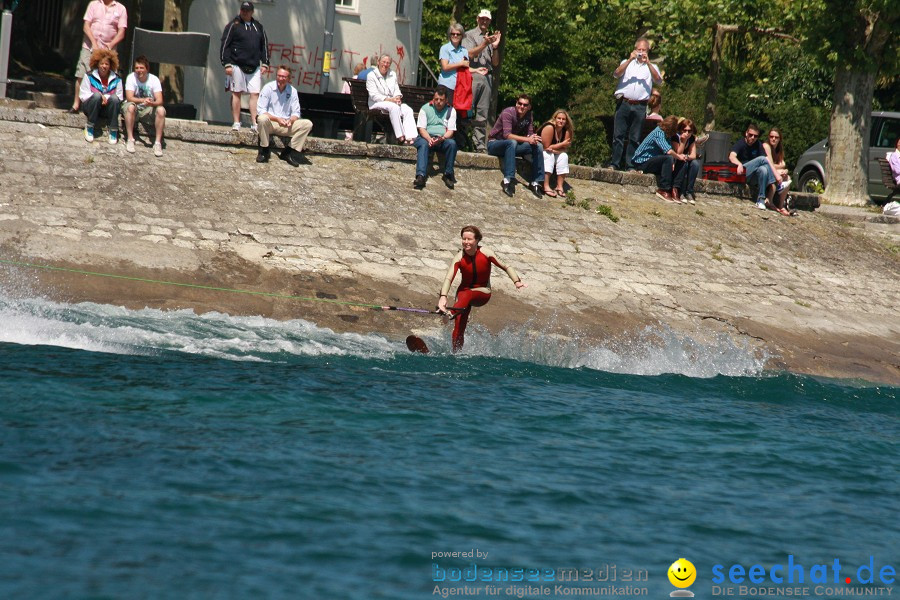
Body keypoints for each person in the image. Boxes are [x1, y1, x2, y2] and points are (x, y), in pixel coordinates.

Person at [437, 225, 526, 352]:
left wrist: (516, 282)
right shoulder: (459, 257)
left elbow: (506, 266)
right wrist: (443, 297)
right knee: (459, 327)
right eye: (464, 239)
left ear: (477, 240)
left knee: (466, 295)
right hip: (463, 296)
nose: (466, 242)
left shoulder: (486, 252)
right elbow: (448, 278)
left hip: (482, 292)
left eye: (469, 239)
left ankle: (450, 313)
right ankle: (455, 354)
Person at [606, 37, 663, 171]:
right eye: (639, 49)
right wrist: (630, 59)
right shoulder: (626, 63)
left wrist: (648, 63)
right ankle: (614, 163)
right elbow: (616, 74)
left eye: (644, 50)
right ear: (634, 49)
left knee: (635, 137)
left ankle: (630, 165)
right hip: (624, 102)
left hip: (640, 105)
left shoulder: (652, 67)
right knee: (618, 135)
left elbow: (658, 81)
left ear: (647, 51)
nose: (641, 52)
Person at [220, 1, 270, 132]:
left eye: (247, 10)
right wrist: (226, 63)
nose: (244, 12)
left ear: (252, 12)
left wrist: (265, 63)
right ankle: (237, 121)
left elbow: (264, 45)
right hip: (237, 64)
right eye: (243, 10)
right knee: (236, 93)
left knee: (255, 94)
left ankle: (254, 122)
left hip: (254, 66)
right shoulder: (233, 25)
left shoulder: (258, 26)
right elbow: (225, 44)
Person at [71, 0, 127, 114]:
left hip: (109, 48)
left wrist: (110, 45)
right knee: (82, 74)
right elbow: (86, 25)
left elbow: (121, 32)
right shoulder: (93, 4)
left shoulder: (121, 8)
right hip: (89, 46)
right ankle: (76, 104)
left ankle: (108, 107)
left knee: (110, 77)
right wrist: (94, 43)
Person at [487, 93, 545, 198]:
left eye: (525, 105)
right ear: (516, 103)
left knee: (538, 146)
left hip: (511, 146)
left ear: (529, 107)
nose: (522, 107)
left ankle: (536, 182)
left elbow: (530, 134)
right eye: (520, 103)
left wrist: (534, 138)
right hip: (495, 143)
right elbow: (507, 135)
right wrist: (528, 139)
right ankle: (508, 180)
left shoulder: (529, 115)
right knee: (512, 142)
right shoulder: (508, 113)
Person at [255, 65, 314, 167]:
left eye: (283, 77)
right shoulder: (268, 88)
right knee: (261, 118)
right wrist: (277, 119)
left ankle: (288, 152)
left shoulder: (293, 91)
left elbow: (296, 112)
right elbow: (261, 110)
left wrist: (291, 120)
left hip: (285, 124)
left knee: (307, 124)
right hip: (271, 123)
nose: (280, 78)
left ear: (288, 79)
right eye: (279, 76)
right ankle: (264, 150)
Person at [463, 9, 502, 153]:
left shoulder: (490, 37)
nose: (484, 21)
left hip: (487, 77)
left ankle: (479, 144)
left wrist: (495, 46)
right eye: (482, 19)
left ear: (490, 21)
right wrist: (485, 43)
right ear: (477, 19)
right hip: (473, 75)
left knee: (482, 113)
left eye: (487, 19)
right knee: (467, 110)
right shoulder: (469, 35)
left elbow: (495, 63)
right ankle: (462, 140)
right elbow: (469, 54)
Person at [631, 116, 688, 203]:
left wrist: (676, 159)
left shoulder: (666, 136)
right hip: (643, 162)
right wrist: (677, 156)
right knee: (669, 158)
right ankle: (664, 189)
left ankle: (675, 189)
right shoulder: (658, 133)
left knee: (682, 161)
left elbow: (670, 151)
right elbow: (668, 151)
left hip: (654, 161)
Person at [413, 86, 458, 190]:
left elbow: (451, 131)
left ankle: (448, 174)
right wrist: (429, 139)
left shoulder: (451, 111)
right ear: (433, 98)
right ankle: (421, 176)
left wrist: (441, 138)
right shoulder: (425, 108)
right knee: (423, 145)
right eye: (436, 99)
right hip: (426, 137)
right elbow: (422, 129)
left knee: (452, 144)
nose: (438, 102)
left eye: (441, 100)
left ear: (446, 100)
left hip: (442, 138)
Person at [728, 124, 781, 211]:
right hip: (741, 173)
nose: (752, 138)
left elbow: (768, 161)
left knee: (763, 169)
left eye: (755, 136)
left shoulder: (758, 144)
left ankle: (761, 200)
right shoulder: (741, 143)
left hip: (752, 177)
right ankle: (773, 181)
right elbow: (732, 156)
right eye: (750, 135)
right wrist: (739, 164)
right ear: (746, 133)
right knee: (762, 159)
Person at [366, 54, 417, 144]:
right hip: (376, 103)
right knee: (394, 107)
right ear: (378, 62)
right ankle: (400, 137)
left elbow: (396, 89)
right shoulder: (371, 75)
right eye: (383, 62)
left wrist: (397, 97)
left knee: (407, 109)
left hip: (392, 102)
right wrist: (390, 100)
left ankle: (411, 137)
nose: (385, 65)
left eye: (388, 63)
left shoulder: (392, 74)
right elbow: (374, 95)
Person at [122, 55, 166, 157]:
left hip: (148, 110)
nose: (139, 70)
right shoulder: (131, 77)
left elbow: (160, 100)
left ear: (147, 69)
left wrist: (152, 103)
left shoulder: (154, 79)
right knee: (130, 107)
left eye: (141, 68)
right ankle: (130, 139)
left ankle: (157, 143)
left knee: (161, 110)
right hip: (135, 109)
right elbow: (129, 98)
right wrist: (143, 100)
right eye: (137, 68)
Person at [79, 48, 123, 145]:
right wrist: (99, 95)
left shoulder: (117, 78)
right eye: (102, 64)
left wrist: (106, 98)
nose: (104, 66)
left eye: (106, 64)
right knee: (96, 96)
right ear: (97, 64)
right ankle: (90, 127)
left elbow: (120, 97)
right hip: (91, 106)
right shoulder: (89, 76)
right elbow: (83, 95)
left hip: (107, 108)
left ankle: (113, 130)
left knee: (115, 99)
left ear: (110, 65)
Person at [539, 109, 574, 197]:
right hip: (540, 152)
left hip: (554, 152)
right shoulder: (549, 127)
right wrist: (561, 144)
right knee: (549, 155)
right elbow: (546, 147)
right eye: (559, 118)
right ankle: (545, 185)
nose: (561, 121)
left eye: (563, 119)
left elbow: (564, 149)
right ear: (554, 119)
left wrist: (555, 149)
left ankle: (559, 186)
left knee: (564, 156)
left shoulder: (567, 131)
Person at [763, 127, 796, 215]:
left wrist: (784, 170)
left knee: (788, 178)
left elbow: (783, 163)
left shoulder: (779, 149)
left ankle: (781, 205)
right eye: (771, 136)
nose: (773, 139)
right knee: (778, 176)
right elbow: (769, 164)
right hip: (765, 172)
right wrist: (780, 168)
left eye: (776, 137)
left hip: (774, 172)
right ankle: (770, 201)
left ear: (779, 139)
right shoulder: (766, 146)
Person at [438, 23, 470, 107]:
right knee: (445, 112)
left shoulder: (464, 51)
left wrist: (477, 70)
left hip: (459, 87)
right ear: (450, 35)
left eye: (458, 34)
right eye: (453, 34)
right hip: (446, 85)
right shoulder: (445, 48)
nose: (455, 36)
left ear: (462, 36)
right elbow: (445, 67)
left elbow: (465, 68)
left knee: (455, 113)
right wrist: (460, 63)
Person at [671, 118, 700, 204]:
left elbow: (693, 155)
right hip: (675, 161)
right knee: (684, 162)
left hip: (685, 159)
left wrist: (686, 156)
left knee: (695, 164)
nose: (687, 133)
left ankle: (689, 192)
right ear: (680, 129)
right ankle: (680, 191)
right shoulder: (675, 137)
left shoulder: (692, 139)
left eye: (689, 131)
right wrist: (683, 141)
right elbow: (678, 152)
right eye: (685, 130)